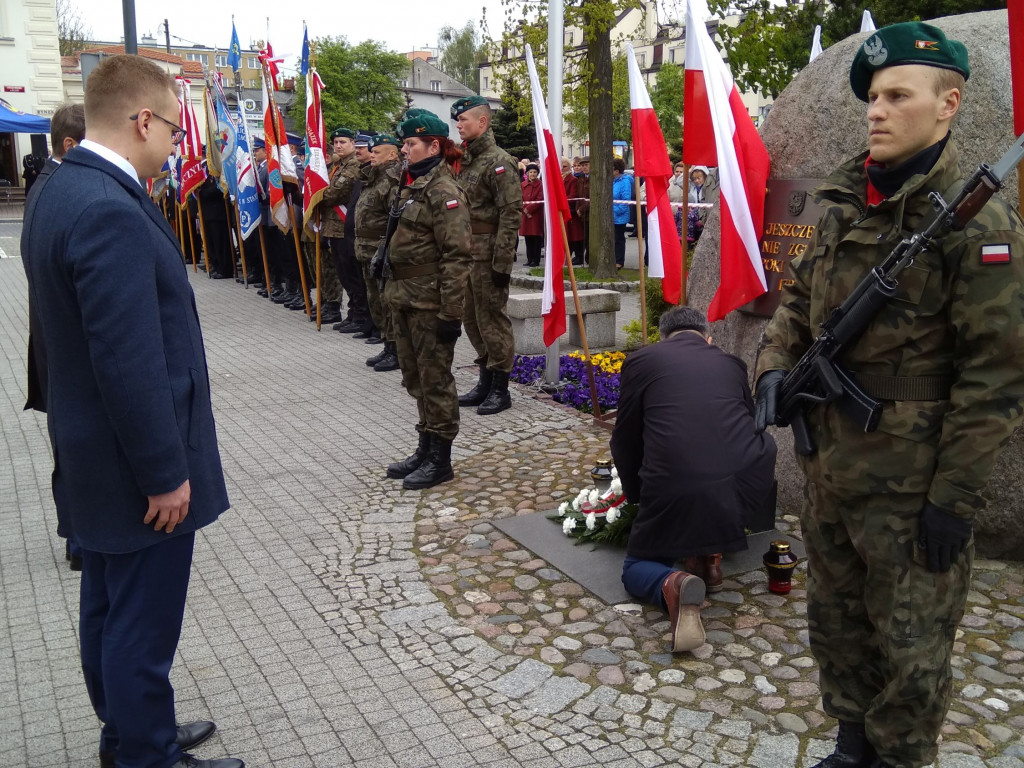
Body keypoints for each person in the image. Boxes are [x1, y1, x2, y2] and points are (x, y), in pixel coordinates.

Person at [754, 23, 1024, 768]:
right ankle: (850, 746)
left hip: (913, 482)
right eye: (873, 96)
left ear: (948, 105)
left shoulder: (979, 223)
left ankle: (902, 757)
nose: (876, 110)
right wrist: (774, 369)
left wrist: (953, 499)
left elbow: (996, 375)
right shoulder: (845, 201)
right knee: (836, 617)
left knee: (912, 641)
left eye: (897, 95)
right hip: (832, 465)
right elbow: (798, 304)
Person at [20, 54, 242, 768]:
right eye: (176, 130)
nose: (179, 144)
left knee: (109, 609)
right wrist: (163, 472)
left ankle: (129, 732)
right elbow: (126, 358)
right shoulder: (108, 207)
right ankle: (147, 755)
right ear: (142, 120)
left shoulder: (60, 187)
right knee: (139, 626)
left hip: (90, 449)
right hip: (133, 463)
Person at [612, 306, 777, 653]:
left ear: (662, 337)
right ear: (707, 338)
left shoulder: (642, 360)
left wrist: (640, 496)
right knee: (748, 450)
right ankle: (711, 559)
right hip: (739, 482)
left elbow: (625, 438)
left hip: (674, 482)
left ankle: (674, 583)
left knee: (636, 569)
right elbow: (741, 427)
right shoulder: (732, 364)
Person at [383, 111, 471, 489]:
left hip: (430, 305)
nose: (404, 151)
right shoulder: (413, 185)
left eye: (410, 145)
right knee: (415, 378)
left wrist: (452, 313)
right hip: (405, 299)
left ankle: (441, 458)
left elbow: (457, 257)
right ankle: (425, 444)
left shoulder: (444, 192)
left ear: (434, 145)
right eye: (403, 144)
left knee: (435, 380)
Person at [450, 95, 524, 416]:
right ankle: (484, 378)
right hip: (466, 255)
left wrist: (502, 263)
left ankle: (500, 388)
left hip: (489, 255)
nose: (458, 124)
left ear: (482, 121)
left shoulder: (499, 161)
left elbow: (511, 214)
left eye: (463, 119)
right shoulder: (465, 160)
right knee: (471, 319)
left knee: (492, 319)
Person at [355, 133, 404, 372]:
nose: (371, 156)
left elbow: (393, 220)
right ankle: (387, 344)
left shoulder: (393, 180)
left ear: (392, 154)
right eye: (371, 152)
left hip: (381, 251)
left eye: (377, 152)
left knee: (386, 302)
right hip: (367, 250)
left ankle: (395, 349)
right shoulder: (374, 178)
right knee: (376, 301)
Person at [319, 127, 364, 332]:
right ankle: (353, 313)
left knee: (352, 276)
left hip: (344, 227)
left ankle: (359, 315)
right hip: (332, 226)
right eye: (336, 142)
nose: (338, 145)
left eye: (343, 142)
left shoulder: (353, 165)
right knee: (343, 274)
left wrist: (314, 195)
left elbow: (333, 194)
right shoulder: (337, 165)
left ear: (352, 144)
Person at [520, 163, 544, 267]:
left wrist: (529, 210)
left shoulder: (541, 185)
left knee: (536, 238)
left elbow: (540, 199)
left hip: (535, 215)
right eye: (531, 172)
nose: (532, 174)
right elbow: (520, 198)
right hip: (525, 216)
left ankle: (536, 259)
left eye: (534, 172)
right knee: (527, 238)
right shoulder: (523, 185)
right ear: (527, 173)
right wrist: (524, 210)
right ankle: (529, 259)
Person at [611, 157, 632, 269]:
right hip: (611, 215)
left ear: (617, 170)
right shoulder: (612, 181)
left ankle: (619, 261)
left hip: (619, 216)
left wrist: (613, 211)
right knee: (612, 239)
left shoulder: (625, 182)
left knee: (618, 239)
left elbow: (625, 200)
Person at [573, 156, 591, 265]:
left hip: (590, 212)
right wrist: (577, 209)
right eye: (582, 165)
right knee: (582, 237)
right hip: (581, 213)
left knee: (589, 238)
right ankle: (580, 257)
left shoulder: (594, 179)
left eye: (586, 165)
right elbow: (578, 196)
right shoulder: (581, 179)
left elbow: (592, 198)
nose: (584, 167)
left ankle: (589, 259)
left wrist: (582, 209)